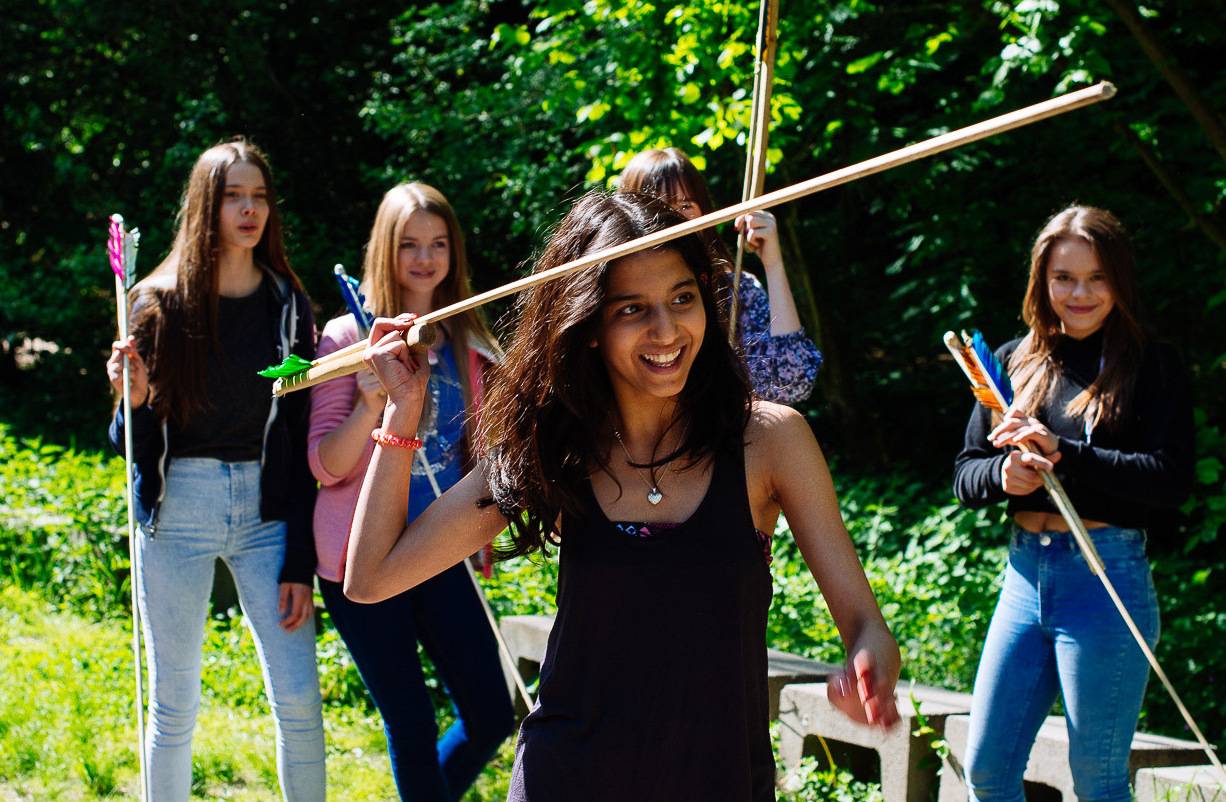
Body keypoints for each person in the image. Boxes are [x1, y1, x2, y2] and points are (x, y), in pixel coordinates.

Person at [344, 191, 900, 802]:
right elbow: (372, 579)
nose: (667, 330)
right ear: (586, 329)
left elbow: (865, 625)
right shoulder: (553, 446)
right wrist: (402, 412)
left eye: (683, 299)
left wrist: (870, 661)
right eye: (633, 309)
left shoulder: (770, 441)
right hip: (568, 778)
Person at [105, 138, 325, 801]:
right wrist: (135, 401)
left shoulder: (288, 306)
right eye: (234, 196)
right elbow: (127, 447)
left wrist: (299, 562)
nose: (249, 209)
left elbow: (297, 435)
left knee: (300, 701)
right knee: (174, 708)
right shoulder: (155, 303)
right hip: (178, 511)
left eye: (259, 197)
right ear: (207, 205)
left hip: (266, 513)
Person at [952, 205, 1194, 801]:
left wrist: (1066, 454)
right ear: (1043, 281)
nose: (1080, 293)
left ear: (1120, 281)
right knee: (985, 771)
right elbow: (964, 474)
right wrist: (1005, 475)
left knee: (1098, 781)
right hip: (1023, 579)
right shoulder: (1010, 360)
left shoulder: (1153, 365)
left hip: (1106, 578)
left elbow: (1169, 481)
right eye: (1065, 278)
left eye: (1097, 278)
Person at [307, 182, 512, 800]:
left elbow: (476, 454)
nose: (425, 258)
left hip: (438, 548)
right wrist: (373, 402)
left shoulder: (466, 340)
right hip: (360, 555)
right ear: (384, 251)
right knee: (411, 721)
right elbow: (324, 465)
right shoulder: (348, 339)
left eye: (438, 243)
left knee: (492, 712)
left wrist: (486, 536)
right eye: (409, 244)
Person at [618, 147, 822, 403]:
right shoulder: (613, 295)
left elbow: (792, 381)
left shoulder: (734, 288)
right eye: (660, 208)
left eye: (686, 206)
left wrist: (773, 263)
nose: (677, 220)